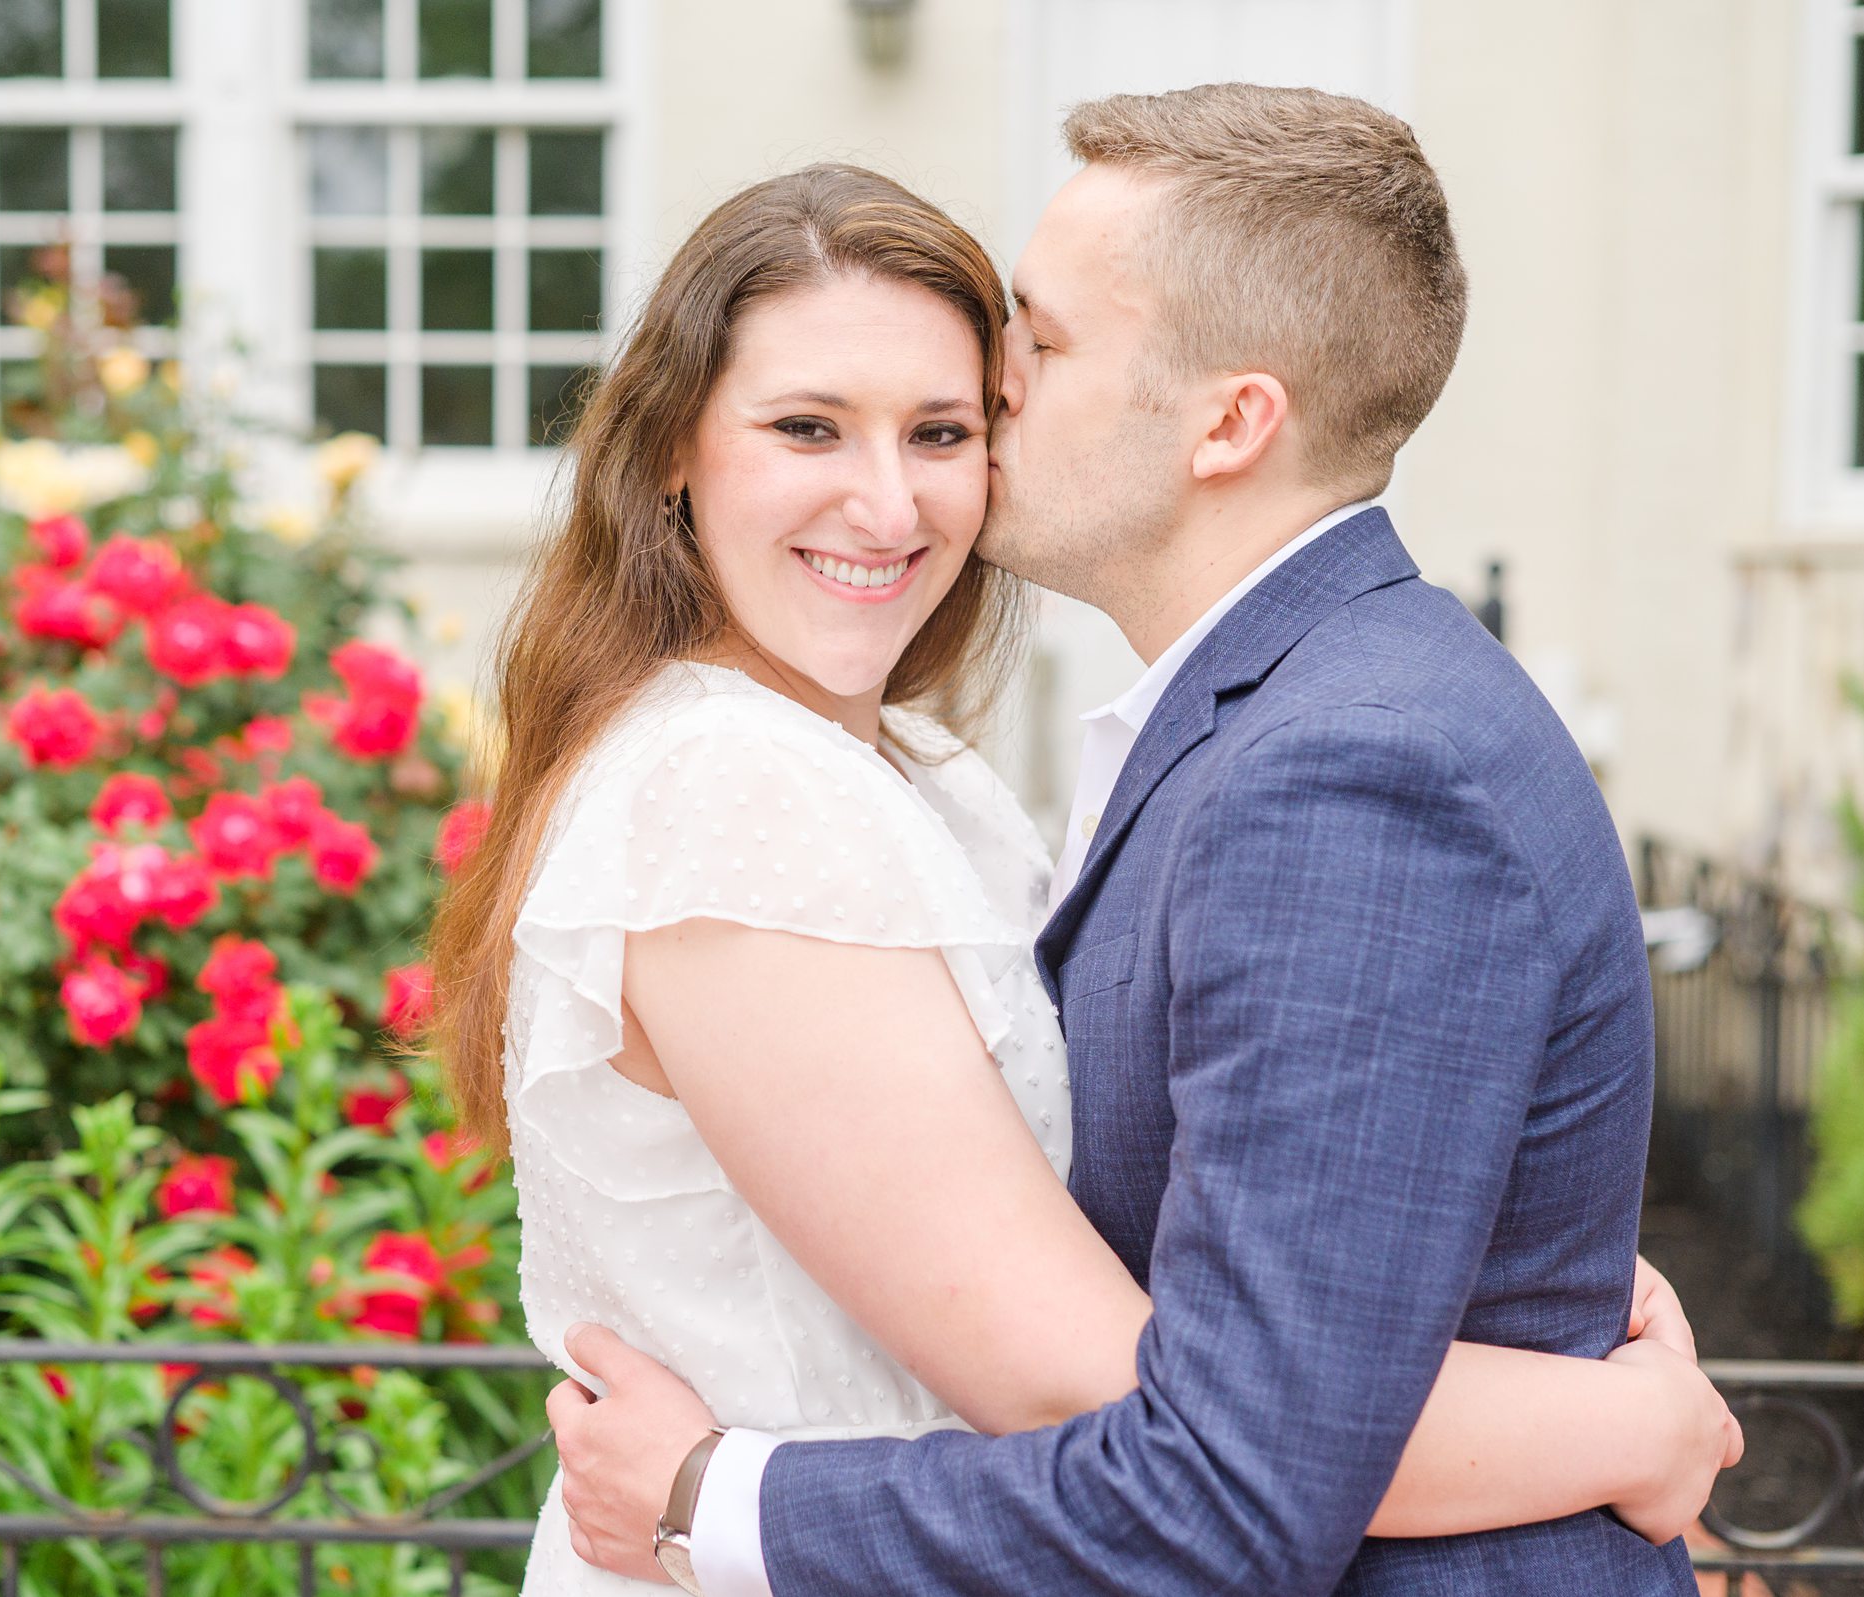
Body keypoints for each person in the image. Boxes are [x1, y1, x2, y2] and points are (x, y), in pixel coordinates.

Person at [432, 107, 1737, 1597]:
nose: (902, 491)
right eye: (808, 425)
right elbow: (1131, 1402)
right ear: (674, 443)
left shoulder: (937, 767)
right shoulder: (736, 792)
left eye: (964, 409)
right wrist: (1617, 1420)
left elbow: (1215, 1367)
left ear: (1230, 423)